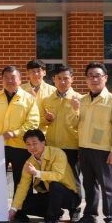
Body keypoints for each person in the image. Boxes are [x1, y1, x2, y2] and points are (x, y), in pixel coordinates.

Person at [72, 62, 112, 223]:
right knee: (89, 185)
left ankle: (111, 219)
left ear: (105, 78)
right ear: (86, 79)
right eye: (90, 76)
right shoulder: (82, 100)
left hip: (104, 151)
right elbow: (74, 125)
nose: (94, 79)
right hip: (84, 149)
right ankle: (90, 216)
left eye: (97, 76)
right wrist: (74, 111)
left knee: (107, 187)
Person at [0, 65, 39, 210]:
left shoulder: (29, 99)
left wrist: (15, 133)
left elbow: (33, 123)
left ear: (20, 80)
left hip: (21, 146)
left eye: (13, 77)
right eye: (6, 77)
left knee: (22, 180)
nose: (9, 80)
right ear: (2, 80)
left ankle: (21, 211)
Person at [9, 129, 81, 223]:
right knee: (23, 205)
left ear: (43, 142)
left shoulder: (58, 153)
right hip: (50, 195)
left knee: (55, 185)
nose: (31, 147)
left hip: (70, 196)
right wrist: (13, 209)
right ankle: (56, 212)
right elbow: (22, 187)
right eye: (28, 144)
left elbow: (58, 176)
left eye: (35, 143)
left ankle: (52, 220)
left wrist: (37, 173)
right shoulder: (29, 162)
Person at [39, 64, 82, 203]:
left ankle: (75, 208)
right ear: (53, 79)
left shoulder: (80, 99)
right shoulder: (47, 100)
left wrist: (76, 109)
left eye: (66, 78)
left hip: (72, 146)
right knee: (51, 179)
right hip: (52, 147)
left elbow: (84, 124)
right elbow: (39, 122)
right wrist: (46, 119)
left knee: (73, 179)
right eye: (59, 78)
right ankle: (54, 209)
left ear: (72, 79)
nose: (62, 82)